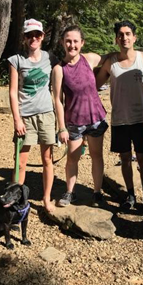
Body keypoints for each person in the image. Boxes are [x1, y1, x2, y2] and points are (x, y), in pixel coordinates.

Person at [96, 20, 143, 215]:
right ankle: (130, 195)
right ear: (116, 39)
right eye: (121, 34)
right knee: (125, 159)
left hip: (141, 119)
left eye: (128, 33)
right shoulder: (110, 62)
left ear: (134, 37)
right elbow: (95, 84)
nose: (124, 37)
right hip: (120, 119)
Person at [52, 25, 108, 207]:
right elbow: (58, 100)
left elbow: (110, 59)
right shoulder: (59, 70)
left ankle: (97, 193)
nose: (72, 45)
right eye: (68, 41)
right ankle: (70, 192)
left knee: (96, 155)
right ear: (62, 42)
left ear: (82, 43)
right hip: (74, 120)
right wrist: (61, 127)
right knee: (72, 158)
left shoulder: (89, 59)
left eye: (76, 41)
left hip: (95, 117)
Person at [8, 18, 57, 213]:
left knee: (47, 159)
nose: (33, 38)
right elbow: (12, 92)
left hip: (46, 114)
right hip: (25, 116)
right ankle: (16, 201)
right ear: (24, 38)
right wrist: (17, 118)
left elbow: (59, 83)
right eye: (29, 35)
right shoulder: (16, 60)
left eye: (37, 34)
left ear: (43, 36)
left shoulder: (50, 58)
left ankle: (46, 199)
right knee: (21, 161)